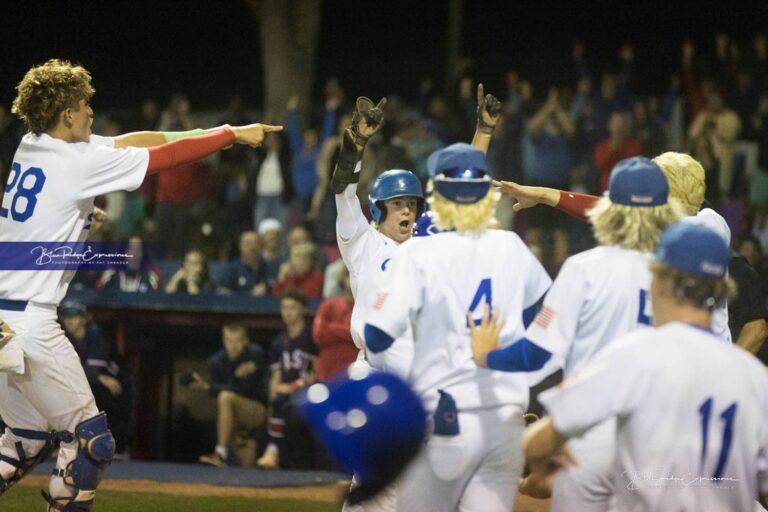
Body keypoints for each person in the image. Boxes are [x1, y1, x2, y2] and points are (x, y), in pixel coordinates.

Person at [0, 59, 279, 510]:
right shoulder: (78, 160)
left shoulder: (31, 144)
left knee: (24, 440)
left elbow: (130, 142)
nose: (91, 111)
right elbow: (160, 159)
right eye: (84, 104)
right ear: (66, 114)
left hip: (1, 320)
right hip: (31, 322)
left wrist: (81, 213)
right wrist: (227, 134)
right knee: (92, 442)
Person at [470, 157, 686, 510]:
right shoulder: (682, 275)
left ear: (609, 208)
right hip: (660, 440)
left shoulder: (585, 269)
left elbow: (534, 355)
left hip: (591, 439)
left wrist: (487, 355)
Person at [333, 86, 501, 512]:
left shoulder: (427, 244)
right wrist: (356, 141)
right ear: (377, 211)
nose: (407, 211)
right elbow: (342, 188)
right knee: (375, 489)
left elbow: (465, 189)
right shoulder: (360, 242)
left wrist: (483, 131)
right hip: (376, 379)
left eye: (412, 203)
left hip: (425, 386)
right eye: (396, 205)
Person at [522, 222, 768, 511]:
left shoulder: (631, 357)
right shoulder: (755, 378)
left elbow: (536, 445)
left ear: (661, 282)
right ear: (723, 290)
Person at [362, 147, 552, 512]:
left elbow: (375, 338)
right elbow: (545, 326)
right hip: (502, 418)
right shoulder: (511, 246)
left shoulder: (415, 255)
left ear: (437, 195)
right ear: (487, 195)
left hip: (440, 418)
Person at [493, 151, 734, 342]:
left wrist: (546, 195)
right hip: (700, 355)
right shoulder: (714, 222)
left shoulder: (689, 232)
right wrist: (545, 195)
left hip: (689, 358)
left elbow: (623, 212)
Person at [59, 301, 132, 455]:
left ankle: (116, 450)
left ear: (84, 318)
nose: (70, 320)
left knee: (110, 410)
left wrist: (99, 377)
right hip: (95, 381)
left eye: (75, 316)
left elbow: (92, 370)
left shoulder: (96, 333)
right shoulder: (64, 339)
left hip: (116, 382)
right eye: (67, 316)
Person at [257, 289, 317, 469]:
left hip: (310, 391)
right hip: (285, 394)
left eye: (293, 307)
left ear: (304, 310)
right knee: (278, 401)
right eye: (284, 307)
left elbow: (318, 372)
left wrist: (294, 386)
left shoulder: (313, 336)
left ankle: (275, 451)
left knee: (288, 407)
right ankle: (272, 452)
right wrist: (274, 392)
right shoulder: (278, 342)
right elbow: (276, 374)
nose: (288, 312)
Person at [193, 324, 268, 468]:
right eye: (229, 341)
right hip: (233, 419)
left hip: (256, 411)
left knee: (226, 397)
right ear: (223, 341)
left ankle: (220, 453)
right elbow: (221, 394)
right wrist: (236, 377)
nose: (233, 346)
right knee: (246, 469)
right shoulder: (216, 361)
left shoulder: (255, 354)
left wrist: (209, 388)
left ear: (245, 341)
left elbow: (246, 389)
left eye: (237, 341)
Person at [312, 266, 358, 383]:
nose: (355, 280)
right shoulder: (329, 304)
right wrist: (350, 332)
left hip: (355, 373)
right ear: (343, 279)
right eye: (350, 276)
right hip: (327, 373)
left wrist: (331, 328)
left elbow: (365, 337)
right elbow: (318, 335)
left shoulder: (366, 306)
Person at [216, 231, 272, 296]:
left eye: (256, 243)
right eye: (247, 244)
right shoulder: (231, 269)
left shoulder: (268, 267)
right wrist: (250, 295)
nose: (252, 247)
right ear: (240, 246)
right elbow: (221, 292)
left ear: (261, 246)